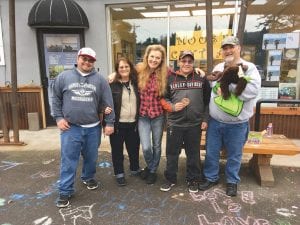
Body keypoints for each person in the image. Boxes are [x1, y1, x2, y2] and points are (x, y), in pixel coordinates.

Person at [52, 47, 115, 208]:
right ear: (78, 58)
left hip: (93, 128)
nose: (87, 62)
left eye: (90, 60)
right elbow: (56, 99)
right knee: (68, 160)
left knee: (91, 158)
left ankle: (88, 177)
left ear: (94, 62)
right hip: (70, 128)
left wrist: (109, 122)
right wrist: (58, 118)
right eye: (84, 59)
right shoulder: (63, 77)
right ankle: (65, 191)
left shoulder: (100, 80)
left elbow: (108, 103)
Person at [199, 36, 261, 196]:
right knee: (211, 152)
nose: (228, 51)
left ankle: (232, 181)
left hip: (237, 124)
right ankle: (211, 177)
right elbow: (212, 87)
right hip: (215, 121)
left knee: (234, 155)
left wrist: (229, 86)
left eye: (231, 47)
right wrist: (200, 75)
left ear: (239, 48)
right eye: (225, 48)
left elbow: (252, 91)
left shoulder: (249, 68)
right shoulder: (219, 66)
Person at [159, 50, 210, 193]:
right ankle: (170, 179)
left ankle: (193, 179)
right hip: (175, 123)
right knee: (171, 153)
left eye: (190, 61)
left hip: (195, 124)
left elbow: (207, 101)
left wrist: (205, 119)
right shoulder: (170, 78)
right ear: (179, 62)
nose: (186, 63)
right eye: (183, 60)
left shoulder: (201, 79)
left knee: (193, 154)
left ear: (193, 62)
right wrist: (172, 107)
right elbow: (163, 98)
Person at [137, 44, 168, 184]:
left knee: (156, 145)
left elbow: (181, 74)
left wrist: (198, 71)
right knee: (146, 146)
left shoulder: (166, 73)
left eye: (158, 58)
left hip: (158, 116)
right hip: (143, 115)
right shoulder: (139, 70)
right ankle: (151, 167)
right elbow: (123, 72)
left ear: (161, 60)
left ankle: (152, 171)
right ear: (147, 57)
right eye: (152, 57)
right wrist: (113, 74)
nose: (154, 60)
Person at [108, 57, 140, 186]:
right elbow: (105, 103)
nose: (124, 69)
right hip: (118, 124)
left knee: (134, 149)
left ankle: (134, 168)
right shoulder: (112, 84)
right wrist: (107, 122)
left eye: (126, 66)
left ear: (130, 68)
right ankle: (119, 173)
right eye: (121, 67)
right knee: (117, 150)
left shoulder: (137, 82)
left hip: (133, 123)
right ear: (117, 70)